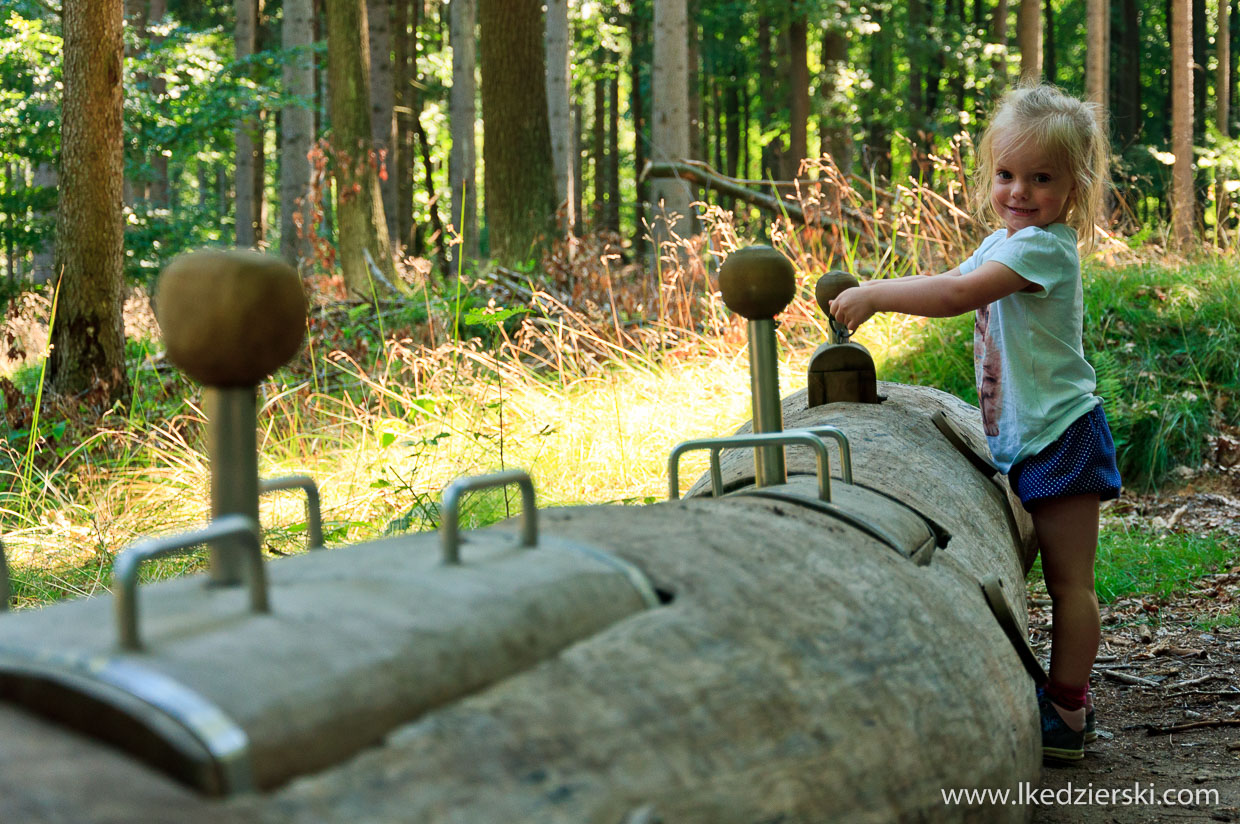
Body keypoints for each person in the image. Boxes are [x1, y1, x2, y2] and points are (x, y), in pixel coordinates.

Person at [829, 83, 1121, 763]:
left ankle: (1069, 712)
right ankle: (1052, 692)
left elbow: (957, 295)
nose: (1020, 191)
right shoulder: (1004, 239)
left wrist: (875, 294)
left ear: (1073, 188)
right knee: (1046, 576)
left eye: (1041, 178)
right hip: (1028, 436)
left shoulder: (1043, 250)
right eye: (1006, 174)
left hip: (1063, 434)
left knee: (1070, 583)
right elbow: (950, 277)